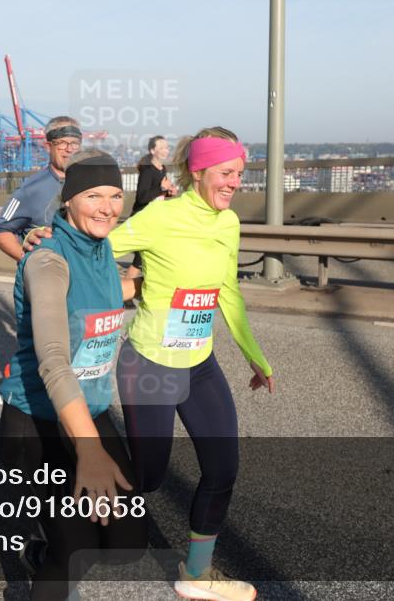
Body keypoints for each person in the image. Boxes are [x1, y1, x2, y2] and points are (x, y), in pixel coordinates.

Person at [107, 127, 275, 601]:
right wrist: (56, 239)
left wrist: (255, 357)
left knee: (223, 469)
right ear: (198, 171)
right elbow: (99, 248)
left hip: (199, 363)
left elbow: (228, 292)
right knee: (148, 478)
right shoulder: (161, 217)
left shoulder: (228, 224)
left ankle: (195, 575)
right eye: (226, 173)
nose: (234, 182)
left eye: (240, 174)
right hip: (151, 364)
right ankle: (65, 525)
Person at [0, 150, 147, 600]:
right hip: (38, 420)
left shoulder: (101, 249)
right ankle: (49, 568)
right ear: (68, 202)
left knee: (127, 541)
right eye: (94, 196)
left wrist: (153, 280)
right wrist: (91, 450)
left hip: (91, 410)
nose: (108, 207)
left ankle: (46, 556)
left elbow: (110, 290)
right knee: (75, 545)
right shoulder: (47, 261)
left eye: (116, 195)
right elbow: (54, 361)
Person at [0, 116, 82, 261]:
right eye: (62, 143)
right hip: (48, 278)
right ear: (48, 146)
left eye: (75, 143)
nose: (69, 149)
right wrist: (29, 262)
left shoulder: (89, 183)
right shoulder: (30, 189)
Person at [125, 135, 178, 279]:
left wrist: (168, 193)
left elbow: (157, 195)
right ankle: (124, 293)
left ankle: (136, 291)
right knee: (140, 259)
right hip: (143, 218)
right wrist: (162, 187)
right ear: (152, 150)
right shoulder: (148, 170)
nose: (165, 150)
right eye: (162, 148)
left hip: (155, 218)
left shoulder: (162, 169)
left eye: (167, 147)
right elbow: (142, 197)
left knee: (147, 258)